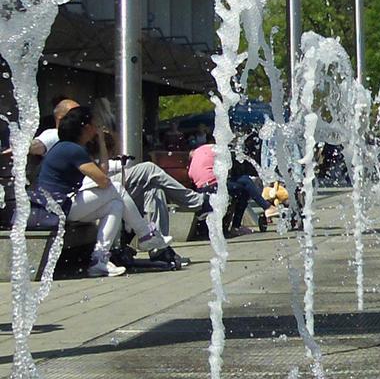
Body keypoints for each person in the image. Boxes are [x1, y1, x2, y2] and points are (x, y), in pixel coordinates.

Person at [32, 98, 200, 265]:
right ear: (86, 126)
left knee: (115, 205)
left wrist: (101, 141)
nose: (98, 126)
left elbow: (102, 172)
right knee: (117, 188)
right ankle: (145, 234)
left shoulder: (73, 147)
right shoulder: (71, 148)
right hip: (57, 207)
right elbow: (104, 181)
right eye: (95, 124)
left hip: (61, 205)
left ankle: (100, 260)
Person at [188, 140, 272, 235]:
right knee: (245, 183)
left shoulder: (193, 163)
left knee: (242, 184)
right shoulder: (212, 149)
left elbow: (193, 178)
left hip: (203, 189)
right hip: (215, 187)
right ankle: (237, 226)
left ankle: (266, 207)